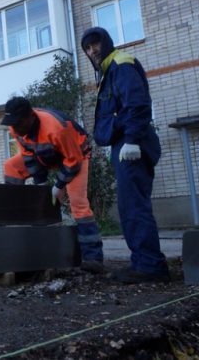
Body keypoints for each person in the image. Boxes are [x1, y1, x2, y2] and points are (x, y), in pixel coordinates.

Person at [81, 26, 169, 284]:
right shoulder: (108, 71)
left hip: (133, 144)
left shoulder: (121, 64)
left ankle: (150, 266)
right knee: (130, 206)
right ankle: (143, 262)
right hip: (124, 145)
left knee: (133, 206)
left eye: (95, 44)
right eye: (87, 48)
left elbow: (137, 104)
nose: (92, 50)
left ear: (106, 42)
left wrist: (131, 140)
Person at [1, 97, 104, 273]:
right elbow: (28, 156)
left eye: (18, 124)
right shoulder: (15, 127)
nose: (15, 129)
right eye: (13, 124)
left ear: (30, 117)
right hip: (45, 155)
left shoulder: (57, 128)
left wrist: (59, 185)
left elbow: (73, 161)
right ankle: (17, 220)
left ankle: (93, 257)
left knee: (78, 203)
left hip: (76, 155)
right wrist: (41, 183)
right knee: (11, 167)